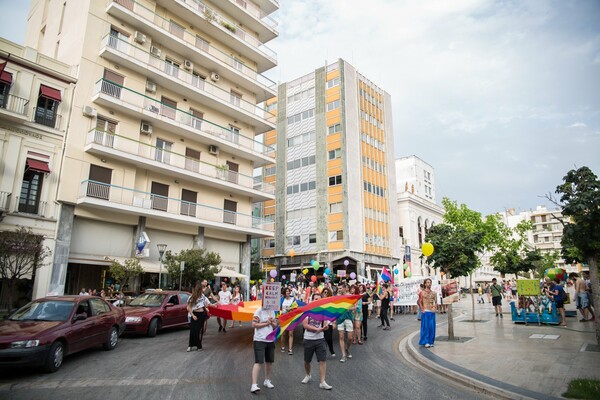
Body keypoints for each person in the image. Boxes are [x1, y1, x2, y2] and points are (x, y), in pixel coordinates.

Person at [301, 292, 333, 390]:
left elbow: (325, 324)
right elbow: (305, 325)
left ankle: (322, 382)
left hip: (320, 339)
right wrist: (316, 329)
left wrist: (325, 327)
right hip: (308, 339)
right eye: (316, 299)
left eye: (319, 299)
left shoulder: (323, 311)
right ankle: (308, 375)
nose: (317, 301)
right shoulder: (307, 311)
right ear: (312, 300)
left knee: (322, 360)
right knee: (307, 361)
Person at [250, 302, 278, 393]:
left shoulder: (272, 311)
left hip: (270, 339)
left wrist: (272, 322)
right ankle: (254, 385)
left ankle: (267, 380)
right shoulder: (258, 311)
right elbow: (254, 324)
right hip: (259, 339)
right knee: (259, 362)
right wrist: (266, 323)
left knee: (269, 361)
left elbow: (275, 326)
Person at [187, 283, 209, 351]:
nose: (203, 290)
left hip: (201, 314)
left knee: (199, 331)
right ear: (199, 289)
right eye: (202, 288)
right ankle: (190, 345)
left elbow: (206, 303)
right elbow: (189, 307)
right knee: (193, 330)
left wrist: (213, 305)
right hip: (195, 314)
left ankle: (199, 346)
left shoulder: (203, 296)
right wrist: (192, 315)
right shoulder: (193, 297)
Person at [336, 286, 355, 363]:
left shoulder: (350, 296)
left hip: (348, 318)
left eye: (341, 288)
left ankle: (347, 349)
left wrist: (347, 308)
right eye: (339, 288)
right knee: (341, 337)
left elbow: (355, 307)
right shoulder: (337, 297)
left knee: (350, 338)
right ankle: (343, 355)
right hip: (340, 318)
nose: (339, 289)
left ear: (345, 288)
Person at [418, 278, 437, 348]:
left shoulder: (434, 293)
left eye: (430, 282)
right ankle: (426, 341)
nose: (429, 284)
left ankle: (431, 341)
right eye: (428, 282)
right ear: (425, 284)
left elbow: (436, 302)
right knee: (426, 327)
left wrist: (435, 307)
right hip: (425, 312)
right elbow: (419, 302)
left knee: (432, 327)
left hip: (432, 312)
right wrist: (422, 309)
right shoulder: (422, 293)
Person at [321, 287, 336, 357]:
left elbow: (334, 313)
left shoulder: (331, 302)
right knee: (322, 337)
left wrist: (334, 322)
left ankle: (331, 348)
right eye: (324, 292)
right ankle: (323, 351)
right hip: (320, 321)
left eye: (326, 292)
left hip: (329, 321)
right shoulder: (320, 301)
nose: (325, 294)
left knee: (328, 337)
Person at [280, 287, 295, 355]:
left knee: (291, 333)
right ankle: (282, 346)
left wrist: (291, 308)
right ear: (284, 293)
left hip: (291, 317)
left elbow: (296, 307)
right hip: (283, 317)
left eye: (289, 291)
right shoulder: (282, 299)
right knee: (283, 333)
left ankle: (290, 349)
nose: (288, 292)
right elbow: (278, 308)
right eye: (286, 291)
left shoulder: (293, 299)